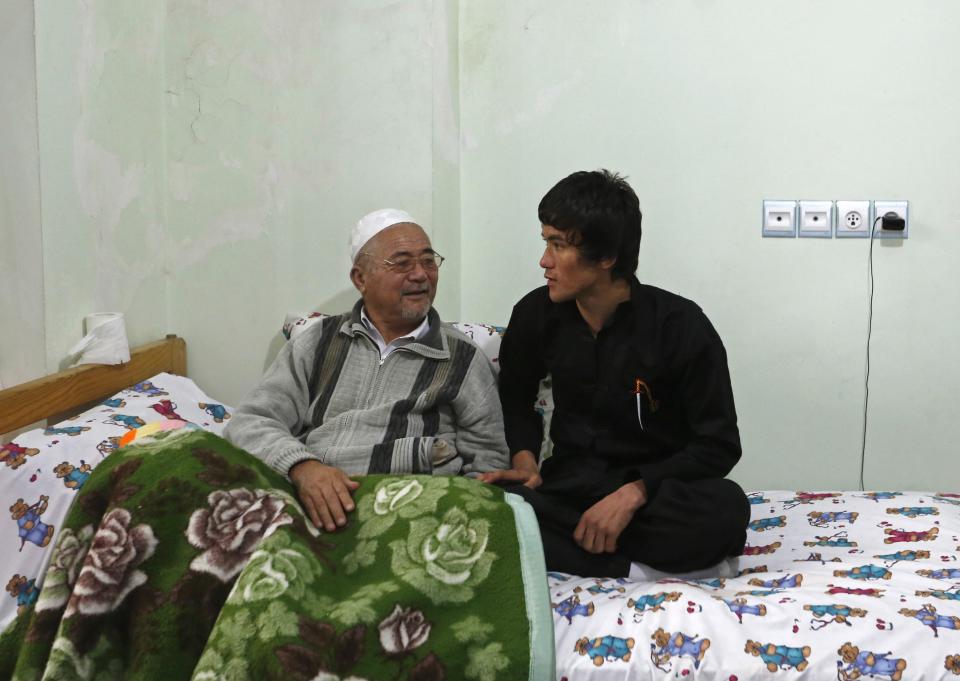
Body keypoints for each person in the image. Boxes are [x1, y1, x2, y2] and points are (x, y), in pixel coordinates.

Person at [481, 170, 750, 577]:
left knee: (727, 509)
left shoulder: (680, 325)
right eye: (545, 242)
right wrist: (526, 462)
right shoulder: (536, 314)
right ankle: (637, 568)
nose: (544, 261)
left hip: (652, 492)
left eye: (558, 245)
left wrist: (633, 494)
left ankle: (586, 554)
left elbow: (718, 445)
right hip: (568, 488)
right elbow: (516, 398)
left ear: (606, 257)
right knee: (492, 507)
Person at [226, 209, 510, 532]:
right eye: (402, 263)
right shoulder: (317, 342)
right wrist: (303, 467)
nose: (420, 274)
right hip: (308, 498)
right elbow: (251, 421)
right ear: (360, 278)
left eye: (428, 261)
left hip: (410, 514)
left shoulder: (462, 359)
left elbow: (489, 466)